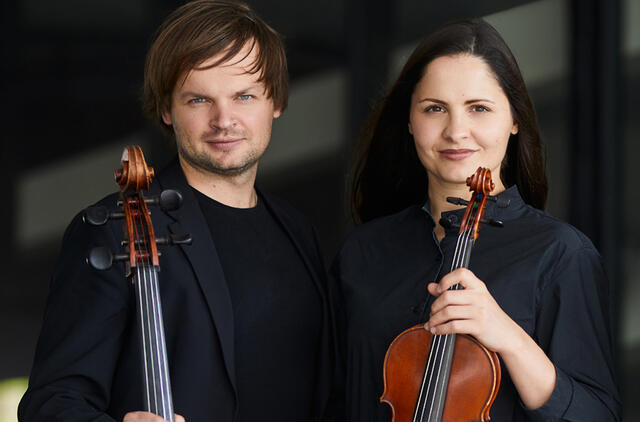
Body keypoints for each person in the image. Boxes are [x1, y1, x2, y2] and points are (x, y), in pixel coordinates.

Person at [18, 1, 334, 421]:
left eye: (244, 96)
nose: (223, 120)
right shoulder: (111, 231)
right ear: (167, 109)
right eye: (199, 99)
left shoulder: (298, 233)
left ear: (275, 101)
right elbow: (51, 402)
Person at [330, 19, 621, 421]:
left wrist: (510, 337)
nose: (456, 131)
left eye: (479, 108)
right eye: (435, 108)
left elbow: (597, 415)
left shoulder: (560, 254)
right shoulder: (362, 253)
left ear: (514, 119)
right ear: (410, 120)